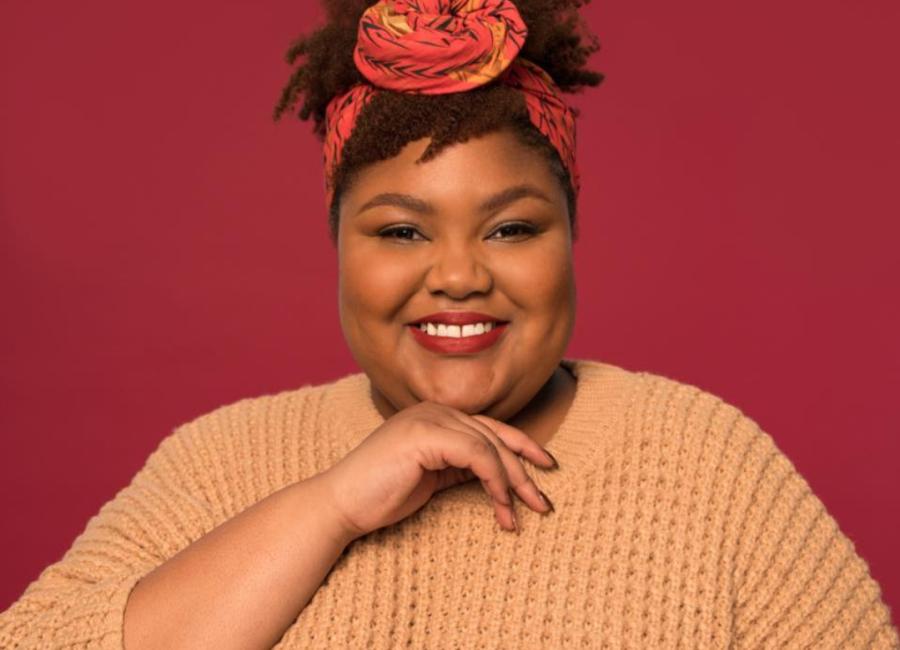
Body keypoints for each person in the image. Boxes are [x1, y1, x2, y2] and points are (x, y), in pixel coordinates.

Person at [1, 0, 897, 647]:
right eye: (401, 231)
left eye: (511, 229)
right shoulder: (218, 465)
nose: (461, 275)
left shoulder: (708, 468)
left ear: (572, 237)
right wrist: (330, 506)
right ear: (338, 245)